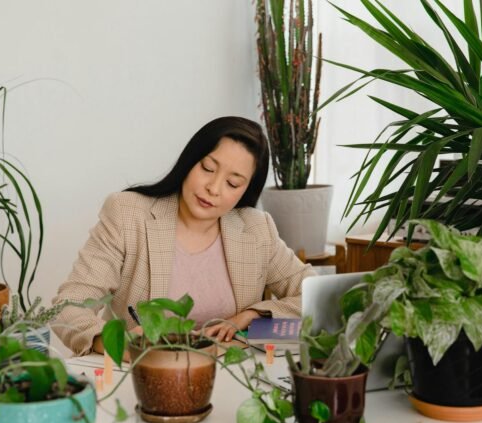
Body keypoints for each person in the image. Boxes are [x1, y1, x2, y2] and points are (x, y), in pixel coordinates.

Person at [52, 116, 316, 355]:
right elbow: (67, 307)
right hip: (142, 375)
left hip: (233, 377)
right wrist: (121, 344)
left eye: (232, 183)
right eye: (208, 169)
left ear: (246, 191)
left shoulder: (256, 228)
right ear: (190, 162)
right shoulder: (127, 214)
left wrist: (253, 314)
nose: (213, 188)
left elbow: (315, 295)